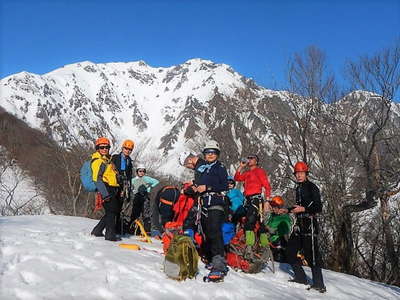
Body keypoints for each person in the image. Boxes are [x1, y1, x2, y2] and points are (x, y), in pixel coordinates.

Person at [285, 161, 326, 293]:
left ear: (306, 174)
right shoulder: (298, 188)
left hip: (310, 224)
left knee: (312, 255)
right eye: (297, 173)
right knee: (290, 251)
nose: (299, 175)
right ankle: (301, 277)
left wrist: (303, 209)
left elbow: (318, 207)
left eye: (301, 173)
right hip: (299, 225)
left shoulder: (312, 187)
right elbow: (298, 208)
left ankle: (319, 284)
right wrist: (288, 210)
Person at [194, 140, 229, 282]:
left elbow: (224, 184)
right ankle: (211, 259)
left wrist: (207, 187)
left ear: (217, 154)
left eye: (213, 152)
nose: (210, 155)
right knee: (207, 232)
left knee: (214, 231)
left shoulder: (219, 167)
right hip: (205, 204)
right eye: (207, 152)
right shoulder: (205, 169)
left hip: (215, 201)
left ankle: (219, 265)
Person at [234, 155, 272, 254]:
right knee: (257, 222)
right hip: (248, 200)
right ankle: (262, 245)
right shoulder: (247, 173)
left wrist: (267, 201)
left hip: (256, 200)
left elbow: (267, 186)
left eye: (252, 158)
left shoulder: (259, 171)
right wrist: (241, 166)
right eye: (248, 158)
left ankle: (251, 246)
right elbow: (237, 177)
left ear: (256, 161)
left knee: (251, 221)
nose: (249, 160)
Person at [90, 137, 121, 241]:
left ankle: (97, 230)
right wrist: (105, 194)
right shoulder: (99, 161)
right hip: (105, 189)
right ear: (97, 148)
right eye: (102, 147)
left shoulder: (107, 160)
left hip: (111, 188)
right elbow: (97, 179)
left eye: (107, 147)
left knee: (112, 211)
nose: (104, 149)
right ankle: (110, 234)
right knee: (112, 211)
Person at [111, 139, 134, 235]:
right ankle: (111, 228)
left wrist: (128, 188)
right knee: (113, 208)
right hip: (114, 185)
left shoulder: (129, 161)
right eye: (126, 148)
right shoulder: (115, 158)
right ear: (122, 148)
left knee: (119, 207)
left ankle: (116, 228)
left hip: (123, 186)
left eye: (129, 149)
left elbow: (129, 175)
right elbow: (111, 170)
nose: (127, 151)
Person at [130, 165, 160, 233]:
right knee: (135, 214)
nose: (142, 172)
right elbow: (130, 186)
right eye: (140, 171)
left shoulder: (147, 178)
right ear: (137, 171)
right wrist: (133, 190)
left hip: (145, 196)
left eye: (143, 171)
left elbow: (156, 181)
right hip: (136, 197)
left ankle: (147, 231)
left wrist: (150, 186)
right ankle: (133, 229)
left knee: (146, 214)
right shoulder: (134, 180)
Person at [265, 196, 295, 262]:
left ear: (279, 207)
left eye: (274, 207)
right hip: (270, 242)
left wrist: (273, 230)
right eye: (272, 206)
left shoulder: (285, 217)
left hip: (279, 243)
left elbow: (285, 230)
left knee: (278, 261)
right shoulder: (272, 216)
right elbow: (268, 225)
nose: (272, 209)